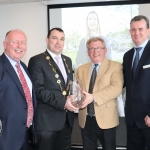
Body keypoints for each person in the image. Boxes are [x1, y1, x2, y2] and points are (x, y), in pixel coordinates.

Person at [28, 27, 79, 150]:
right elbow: (38, 89)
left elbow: (68, 86)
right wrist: (63, 102)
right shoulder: (37, 60)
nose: (58, 42)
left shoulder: (67, 60)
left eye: (62, 39)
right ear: (47, 40)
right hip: (47, 123)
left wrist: (75, 93)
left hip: (66, 120)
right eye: (54, 38)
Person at [76, 37, 123, 150]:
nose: (95, 51)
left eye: (99, 48)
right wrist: (75, 98)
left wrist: (93, 97)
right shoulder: (80, 69)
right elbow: (77, 90)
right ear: (88, 52)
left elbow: (116, 88)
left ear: (105, 50)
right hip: (86, 118)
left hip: (107, 119)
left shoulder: (115, 66)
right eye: (92, 49)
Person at [0, 29, 36, 150]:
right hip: (6, 137)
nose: (20, 46)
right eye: (15, 42)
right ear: (5, 45)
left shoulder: (23, 67)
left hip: (25, 135)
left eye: (23, 42)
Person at [123, 15, 150, 150]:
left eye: (140, 29)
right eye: (133, 30)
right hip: (132, 120)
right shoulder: (127, 56)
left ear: (148, 30)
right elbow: (124, 82)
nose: (136, 33)